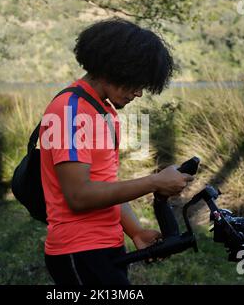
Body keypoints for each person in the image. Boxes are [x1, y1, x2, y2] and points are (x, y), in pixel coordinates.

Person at [39, 18, 194, 285]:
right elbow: (78, 196)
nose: (139, 93)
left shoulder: (103, 110)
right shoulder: (70, 111)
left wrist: (135, 232)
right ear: (112, 68)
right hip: (79, 251)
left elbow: (104, 183)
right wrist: (154, 181)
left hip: (104, 246)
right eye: (136, 83)